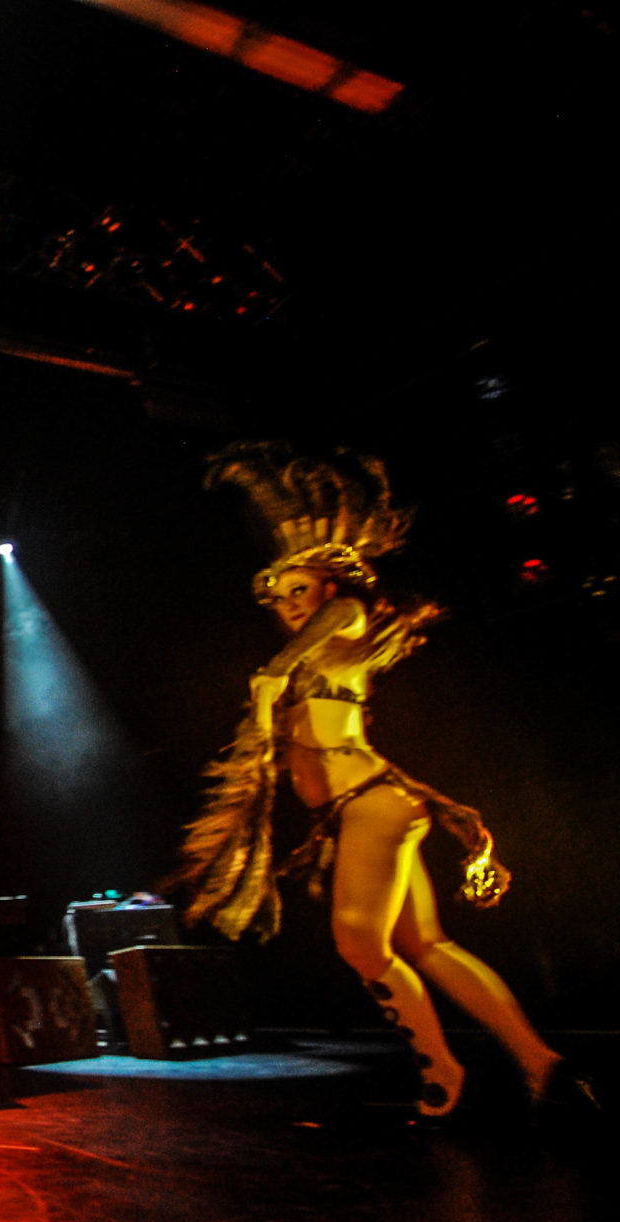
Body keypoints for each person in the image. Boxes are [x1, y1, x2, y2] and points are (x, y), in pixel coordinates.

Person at [176, 444, 592, 1120]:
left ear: (330, 588)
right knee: (426, 945)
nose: (290, 604)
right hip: (374, 805)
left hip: (371, 805)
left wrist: (275, 674)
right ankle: (540, 1063)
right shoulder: (314, 659)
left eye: (301, 589)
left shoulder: (342, 626)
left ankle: (442, 1073)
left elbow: (328, 626)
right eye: (281, 596)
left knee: (360, 943)